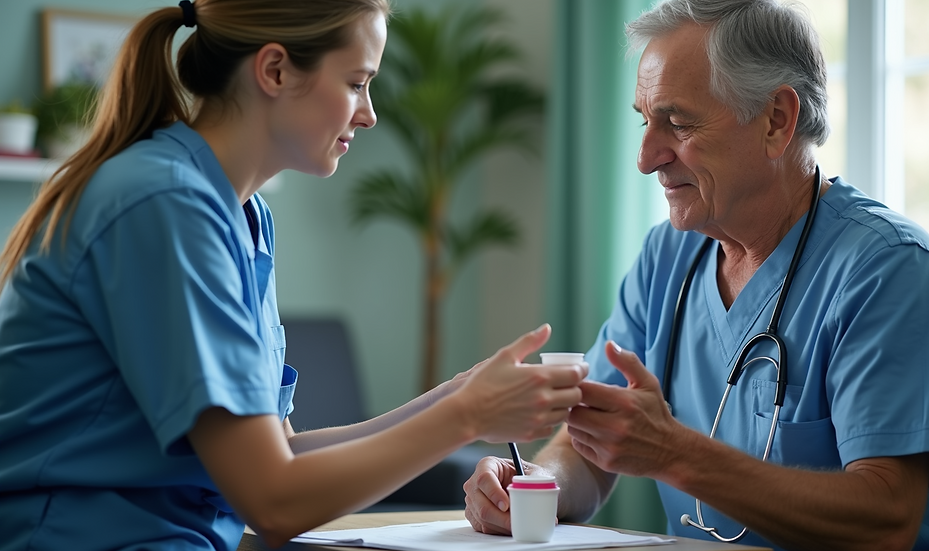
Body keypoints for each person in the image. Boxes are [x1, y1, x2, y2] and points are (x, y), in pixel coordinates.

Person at [0, 1, 588, 550]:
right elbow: (272, 502)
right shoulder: (162, 205)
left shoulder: (243, 216)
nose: (370, 112)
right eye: (357, 82)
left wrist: (457, 396)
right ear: (275, 70)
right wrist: (465, 417)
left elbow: (278, 456)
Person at [463, 1, 929, 550]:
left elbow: (887, 519)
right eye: (645, 121)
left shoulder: (887, 269)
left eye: (678, 122)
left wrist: (676, 453)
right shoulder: (669, 256)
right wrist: (531, 488)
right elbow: (588, 448)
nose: (645, 157)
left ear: (777, 120)